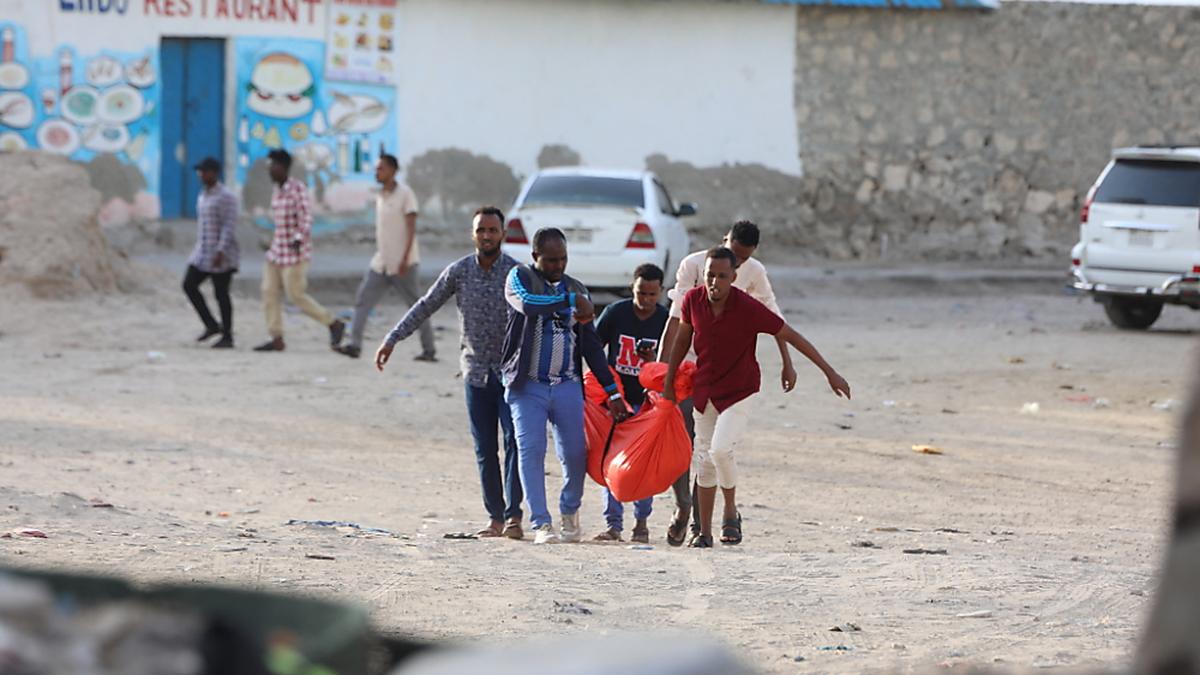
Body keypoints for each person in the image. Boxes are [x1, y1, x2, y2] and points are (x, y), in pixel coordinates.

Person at [662, 247, 850, 548]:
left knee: (721, 451)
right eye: (710, 275)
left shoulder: (747, 307)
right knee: (704, 459)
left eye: (722, 277)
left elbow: (790, 335)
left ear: (734, 278)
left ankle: (730, 511)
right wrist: (668, 382)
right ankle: (704, 533)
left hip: (740, 389)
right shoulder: (693, 301)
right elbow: (682, 340)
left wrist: (829, 372)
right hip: (705, 389)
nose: (715, 283)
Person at [375, 207, 524, 539]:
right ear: (473, 234)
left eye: (492, 230)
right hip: (474, 374)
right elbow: (426, 304)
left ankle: (515, 516)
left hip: (511, 374)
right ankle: (495, 518)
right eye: (481, 230)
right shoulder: (459, 271)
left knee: (515, 442)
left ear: (502, 234)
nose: (487, 235)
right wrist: (393, 338)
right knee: (485, 449)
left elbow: (539, 314)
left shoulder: (517, 274)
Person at [658, 220, 796, 546]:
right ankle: (684, 510)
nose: (734, 262)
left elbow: (774, 317)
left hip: (728, 370)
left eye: (741, 260)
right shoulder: (694, 265)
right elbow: (675, 323)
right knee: (688, 445)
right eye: (731, 253)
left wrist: (787, 362)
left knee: (712, 450)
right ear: (723, 242)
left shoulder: (754, 272)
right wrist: (663, 372)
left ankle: (705, 523)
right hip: (691, 369)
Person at [501, 228, 631, 545]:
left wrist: (611, 390)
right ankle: (541, 524)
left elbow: (591, 347)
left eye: (563, 259)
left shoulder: (576, 288)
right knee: (531, 451)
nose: (558, 266)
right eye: (551, 260)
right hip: (527, 385)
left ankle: (569, 511)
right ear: (535, 258)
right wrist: (571, 301)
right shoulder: (519, 278)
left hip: (567, 385)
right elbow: (530, 305)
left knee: (575, 454)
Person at [591, 263, 668, 543]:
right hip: (617, 400)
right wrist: (605, 391)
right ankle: (613, 525)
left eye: (651, 294)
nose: (645, 300)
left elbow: (672, 362)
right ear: (632, 287)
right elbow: (594, 349)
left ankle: (642, 522)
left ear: (660, 291)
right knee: (612, 461)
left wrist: (652, 362)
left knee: (642, 464)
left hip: (648, 403)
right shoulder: (616, 313)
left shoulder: (665, 319)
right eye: (640, 293)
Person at [336, 154, 436, 361]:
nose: (377, 172)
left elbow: (411, 229)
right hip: (382, 261)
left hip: (403, 263)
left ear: (392, 170)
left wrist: (404, 259)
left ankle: (429, 349)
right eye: (376, 169)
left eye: (380, 168)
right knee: (363, 300)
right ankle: (354, 345)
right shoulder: (381, 196)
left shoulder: (406, 194)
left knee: (416, 307)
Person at [253, 149, 345, 352]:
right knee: (268, 292)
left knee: (296, 295)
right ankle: (276, 337)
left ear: (283, 167)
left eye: (273, 166)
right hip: (277, 252)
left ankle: (332, 323)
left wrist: (297, 239)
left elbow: (306, 218)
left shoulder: (297, 189)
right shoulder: (277, 190)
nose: (270, 170)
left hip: (295, 254)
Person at [183, 157, 239, 349]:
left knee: (221, 293)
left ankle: (228, 336)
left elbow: (229, 226)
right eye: (200, 172)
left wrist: (221, 250)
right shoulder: (203, 195)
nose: (201, 175)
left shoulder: (227, 197)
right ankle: (211, 324)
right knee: (189, 285)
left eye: (204, 172)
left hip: (221, 254)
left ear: (214, 173)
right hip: (203, 251)